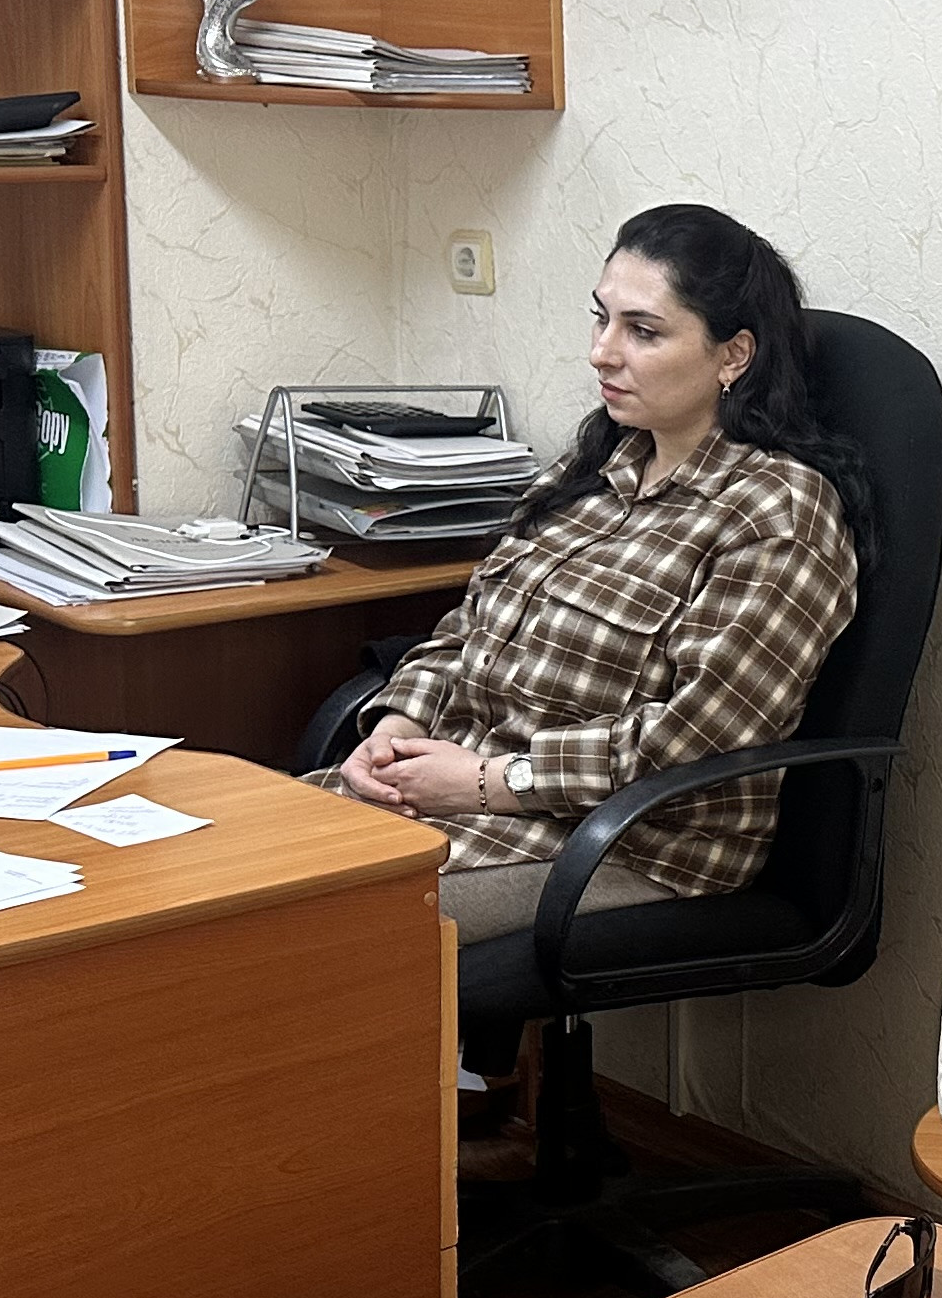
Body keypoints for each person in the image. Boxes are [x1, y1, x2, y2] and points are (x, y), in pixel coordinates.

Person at [317, 204, 861, 945]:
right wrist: (395, 730)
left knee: (295, 930)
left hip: (614, 845)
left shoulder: (777, 513)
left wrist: (486, 781)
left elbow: (693, 741)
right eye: (601, 320)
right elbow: (468, 630)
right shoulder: (594, 469)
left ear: (733, 356)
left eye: (643, 331)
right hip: (457, 798)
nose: (602, 353)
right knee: (214, 866)